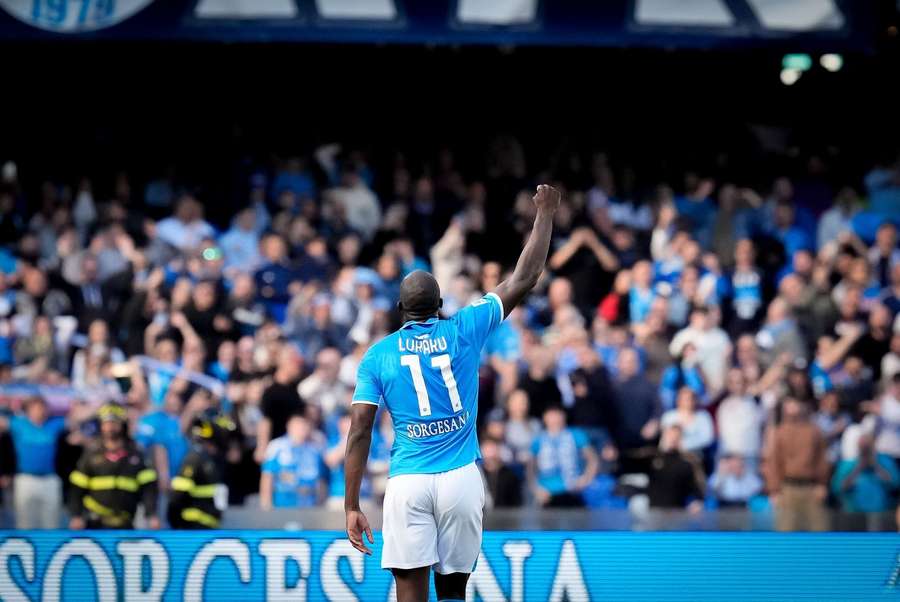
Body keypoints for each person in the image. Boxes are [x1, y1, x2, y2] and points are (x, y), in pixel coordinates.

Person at [343, 185, 560, 602]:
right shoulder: (463, 328)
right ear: (440, 303)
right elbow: (525, 277)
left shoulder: (378, 356)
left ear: (400, 309)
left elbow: (359, 430)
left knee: (409, 592)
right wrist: (545, 214)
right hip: (461, 478)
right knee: (453, 592)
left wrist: (352, 504)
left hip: (408, 480)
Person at [68, 403, 159, 530]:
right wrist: (76, 515)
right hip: (95, 524)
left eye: (114, 423)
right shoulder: (91, 454)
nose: (110, 427)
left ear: (122, 425)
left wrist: (151, 515)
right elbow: (77, 488)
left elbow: (149, 488)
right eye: (106, 423)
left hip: (126, 523)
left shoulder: (136, 455)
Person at [0, 396, 66, 529]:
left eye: (42, 408)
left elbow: (76, 419)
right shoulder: (19, 424)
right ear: (28, 410)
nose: (39, 411)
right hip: (25, 479)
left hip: (50, 479)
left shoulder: (54, 425)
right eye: (35, 408)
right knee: (24, 522)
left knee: (51, 523)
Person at [766, 397, 830, 532]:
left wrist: (822, 484)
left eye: (795, 403)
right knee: (785, 532)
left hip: (811, 488)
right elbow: (773, 462)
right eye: (789, 403)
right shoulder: (779, 432)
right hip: (787, 488)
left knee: (819, 531)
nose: (792, 407)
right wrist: (774, 490)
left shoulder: (814, 431)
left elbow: (822, 459)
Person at [168, 412, 233, 529]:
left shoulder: (216, 460)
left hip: (210, 528)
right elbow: (177, 497)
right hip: (192, 528)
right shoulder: (195, 458)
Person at [529, 406, 599, 507]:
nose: (555, 419)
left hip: (572, 490)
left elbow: (592, 459)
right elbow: (530, 467)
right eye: (551, 416)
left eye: (557, 415)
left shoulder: (576, 434)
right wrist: (536, 489)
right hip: (547, 492)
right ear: (545, 418)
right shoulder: (538, 439)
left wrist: (586, 479)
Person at [259, 412, 328, 509]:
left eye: (304, 426)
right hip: (282, 504)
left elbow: (322, 479)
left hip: (309, 505)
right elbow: (267, 476)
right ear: (289, 426)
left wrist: (320, 504)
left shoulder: (315, 449)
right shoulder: (276, 446)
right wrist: (266, 504)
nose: (301, 429)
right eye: (297, 426)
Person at [831, 433, 899, 513]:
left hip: (882, 515)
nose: (865, 450)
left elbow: (896, 484)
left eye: (867, 447)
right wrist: (858, 468)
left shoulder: (886, 462)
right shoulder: (847, 465)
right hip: (854, 516)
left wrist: (876, 466)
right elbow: (838, 489)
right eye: (863, 447)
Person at [646, 425, 705, 512]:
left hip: (677, 513)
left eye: (676, 437)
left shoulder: (688, 462)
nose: (673, 439)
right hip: (655, 512)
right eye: (670, 436)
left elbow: (698, 488)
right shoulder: (652, 457)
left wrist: (698, 501)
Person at [479, 437, 523, 508]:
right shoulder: (477, 475)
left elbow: (516, 502)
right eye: (487, 450)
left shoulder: (510, 475)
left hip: (505, 517)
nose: (490, 455)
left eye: (492, 450)